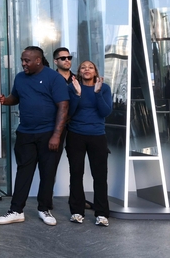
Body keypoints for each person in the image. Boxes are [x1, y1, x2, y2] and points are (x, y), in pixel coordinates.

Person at [0, 46, 69, 226]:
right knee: (23, 172)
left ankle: (44, 209)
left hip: (49, 133)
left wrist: (56, 135)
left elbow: (64, 106)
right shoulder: (20, 77)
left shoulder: (54, 78)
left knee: (47, 173)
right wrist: (5, 100)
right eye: (22, 60)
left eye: (27, 61)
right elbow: (16, 97)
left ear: (38, 61)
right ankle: (16, 211)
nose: (23, 64)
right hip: (25, 133)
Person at [67, 60, 112, 227]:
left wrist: (97, 93)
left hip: (97, 136)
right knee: (76, 173)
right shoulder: (72, 87)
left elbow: (105, 112)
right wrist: (77, 95)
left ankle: (101, 214)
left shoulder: (104, 88)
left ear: (95, 72)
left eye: (90, 67)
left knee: (100, 176)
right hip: (76, 135)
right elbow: (69, 112)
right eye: (83, 67)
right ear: (79, 71)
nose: (87, 70)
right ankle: (77, 211)